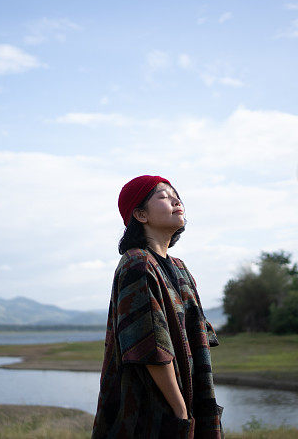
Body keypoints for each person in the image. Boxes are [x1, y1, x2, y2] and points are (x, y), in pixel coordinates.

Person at [91, 175, 224, 439]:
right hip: (152, 413)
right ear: (140, 214)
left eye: (176, 195)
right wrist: (180, 412)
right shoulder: (137, 264)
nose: (176, 200)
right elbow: (150, 348)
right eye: (163, 197)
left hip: (191, 399)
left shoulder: (180, 268)